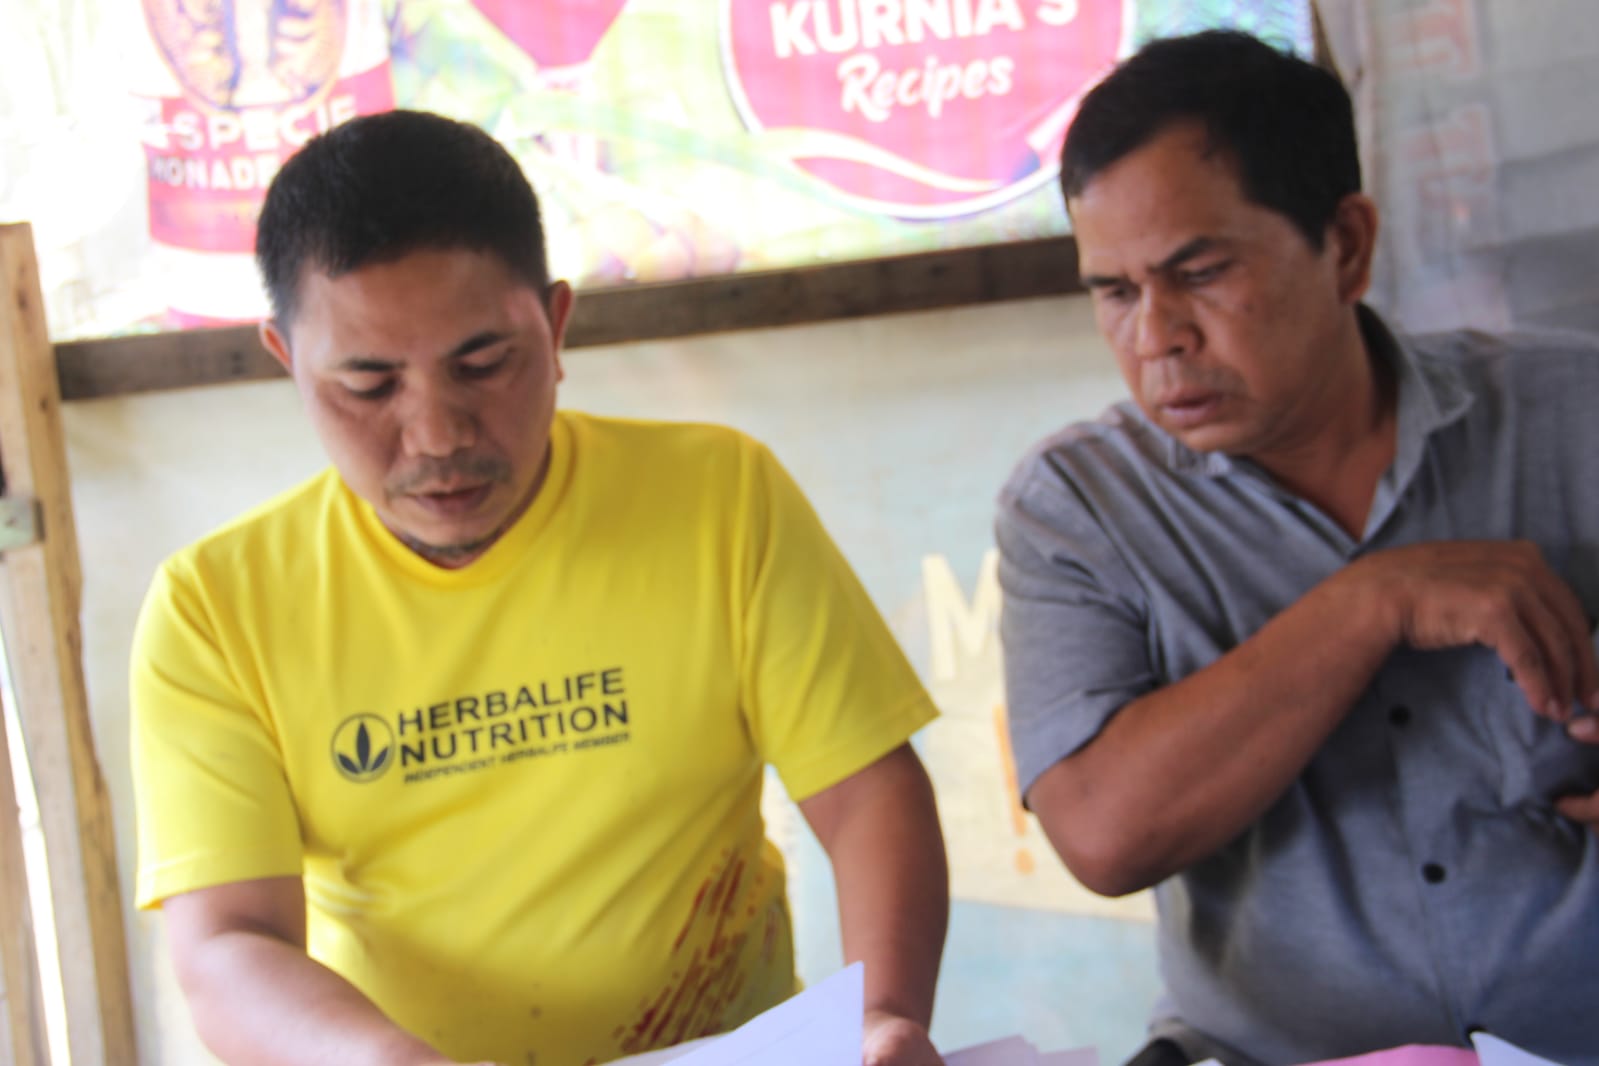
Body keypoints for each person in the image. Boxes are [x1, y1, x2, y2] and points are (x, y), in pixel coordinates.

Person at [130, 109, 948, 1066]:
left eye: (483, 364)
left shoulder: (719, 498)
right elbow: (229, 941)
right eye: (369, 385)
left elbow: (866, 793)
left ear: (555, 326)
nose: (437, 435)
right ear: (286, 360)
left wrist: (879, 1017)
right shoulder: (217, 608)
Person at [996, 30, 1599, 1066]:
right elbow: (1101, 834)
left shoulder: (1571, 415)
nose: (1157, 336)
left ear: (1347, 246)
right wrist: (1371, 603)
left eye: (1199, 273)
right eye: (1116, 292)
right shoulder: (1076, 509)